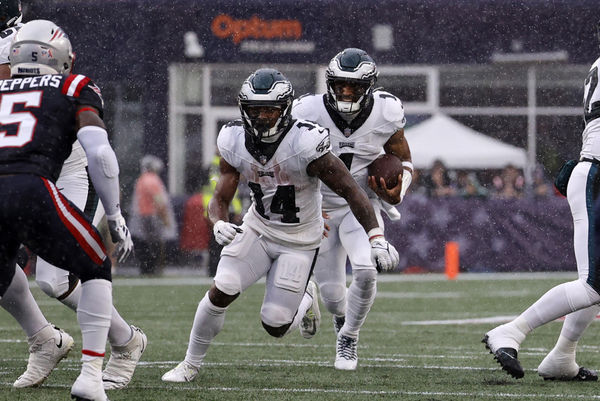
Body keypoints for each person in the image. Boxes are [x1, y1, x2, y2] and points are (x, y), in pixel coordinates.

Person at [161, 68, 399, 382]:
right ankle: (190, 363)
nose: (261, 117)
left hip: (300, 241)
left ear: (285, 110)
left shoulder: (305, 142)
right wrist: (217, 222)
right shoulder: (233, 139)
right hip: (258, 229)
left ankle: (305, 296)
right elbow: (220, 195)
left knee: (275, 324)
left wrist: (377, 238)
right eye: (254, 110)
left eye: (269, 109)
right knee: (223, 289)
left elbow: (351, 191)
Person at [0, 6, 146, 392]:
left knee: (53, 276)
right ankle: (45, 340)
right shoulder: (63, 74)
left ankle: (125, 341)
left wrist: (113, 210)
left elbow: (93, 148)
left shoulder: (14, 45)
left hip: (64, 165)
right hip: (23, 167)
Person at [483, 21, 600, 381]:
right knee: (594, 283)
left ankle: (562, 357)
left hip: (593, 169)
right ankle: (512, 331)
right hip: (597, 174)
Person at [291, 48, 412, 370]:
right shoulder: (306, 110)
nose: (346, 92)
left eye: (354, 86)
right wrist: (305, 203)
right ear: (330, 82)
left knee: (366, 270)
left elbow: (404, 157)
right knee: (333, 297)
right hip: (322, 206)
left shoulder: (386, 111)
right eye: (341, 84)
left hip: (363, 206)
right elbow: (289, 160)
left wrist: (401, 188)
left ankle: (349, 337)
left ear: (369, 85)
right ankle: (334, 311)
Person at [129, 154, 176, 275]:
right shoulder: (153, 180)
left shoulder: (141, 180)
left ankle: (145, 268)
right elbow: (160, 201)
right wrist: (165, 218)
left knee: (144, 243)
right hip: (152, 216)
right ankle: (153, 268)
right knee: (155, 243)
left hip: (142, 216)